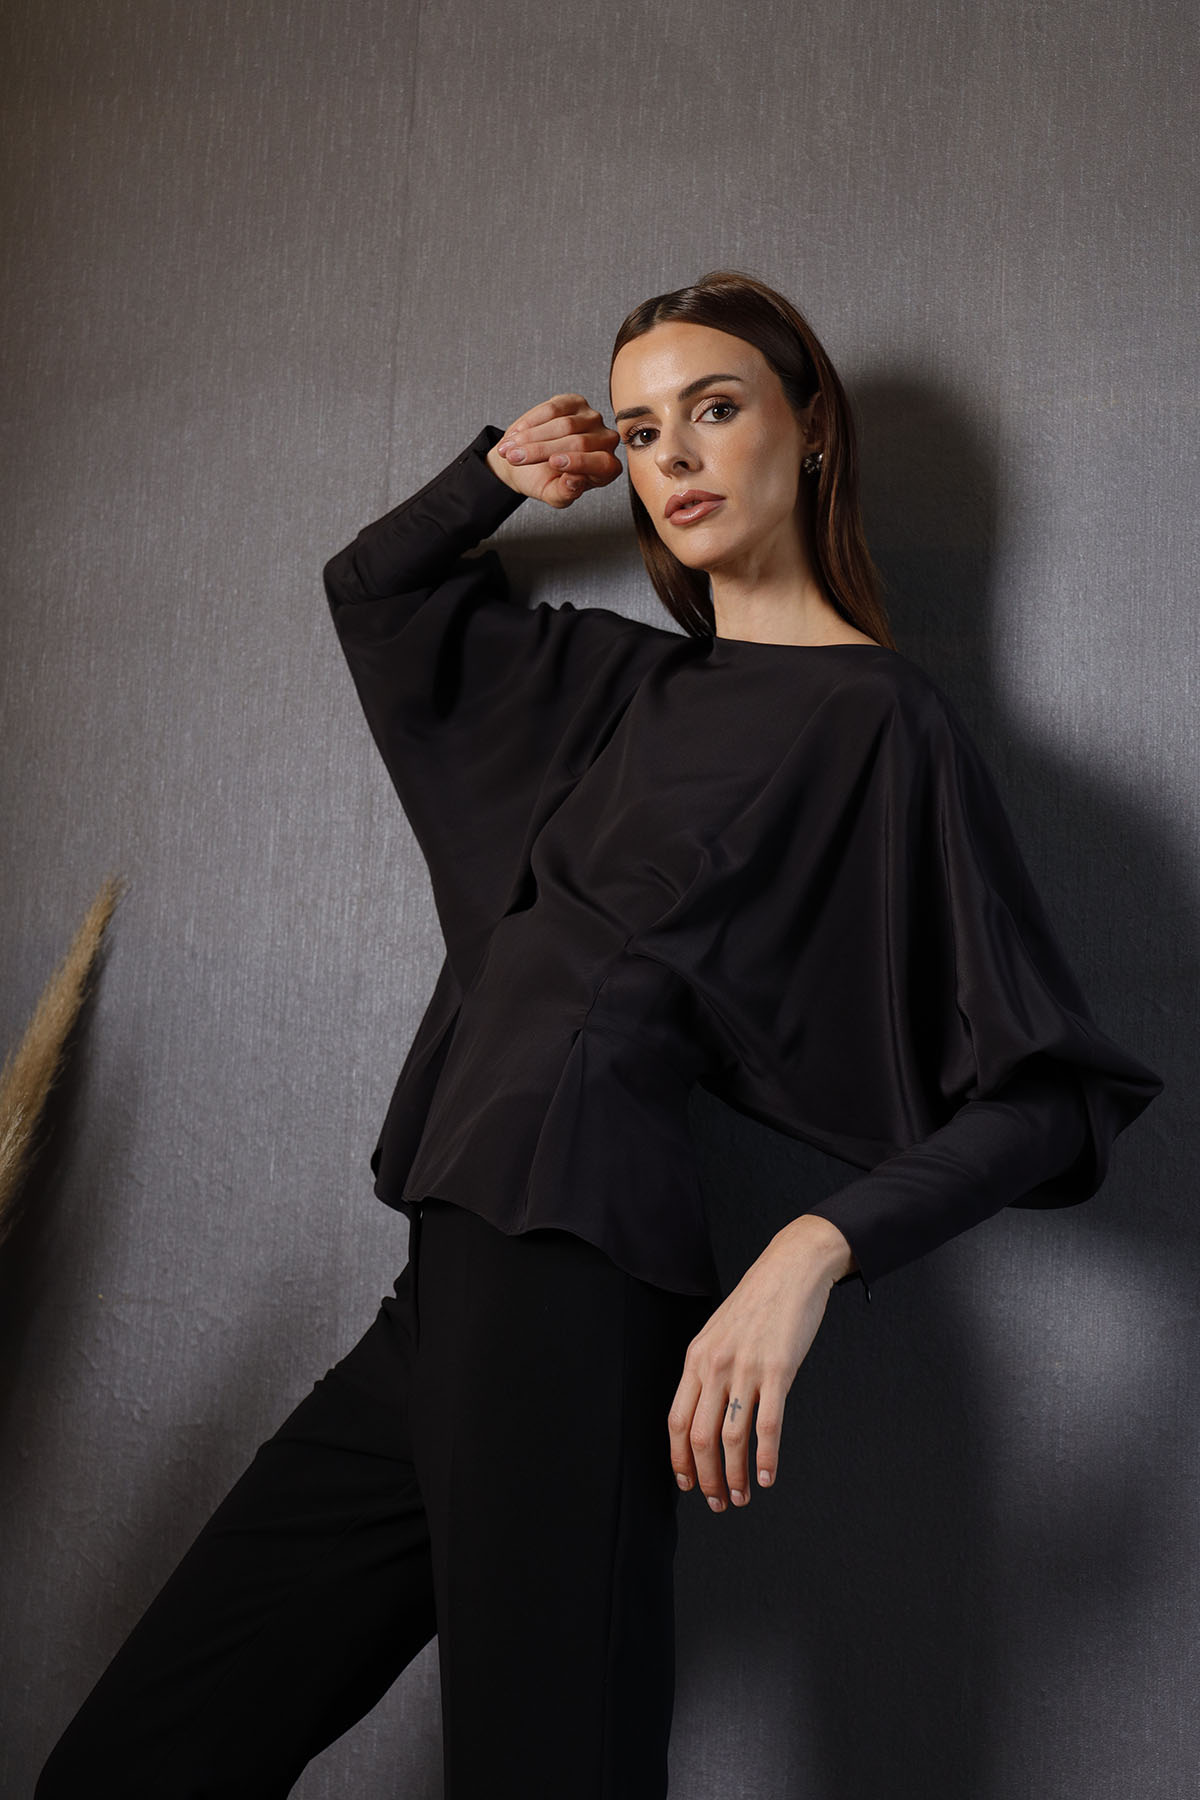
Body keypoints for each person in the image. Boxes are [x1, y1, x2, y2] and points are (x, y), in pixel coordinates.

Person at [36, 271, 1163, 1799]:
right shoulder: (605, 684)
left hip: (577, 1289)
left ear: (812, 430)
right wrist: (495, 479)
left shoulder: (879, 722)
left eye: (715, 408)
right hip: (451, 1280)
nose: (672, 456)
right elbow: (376, 593)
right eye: (639, 431)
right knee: (136, 1759)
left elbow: (1050, 1093)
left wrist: (810, 1252)